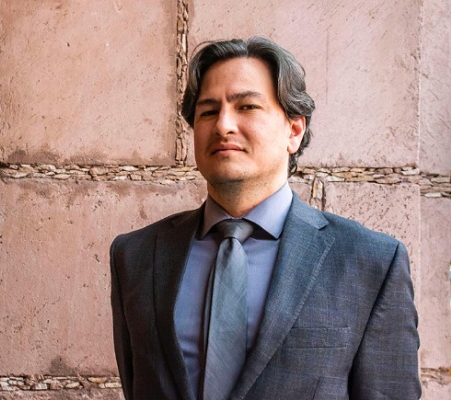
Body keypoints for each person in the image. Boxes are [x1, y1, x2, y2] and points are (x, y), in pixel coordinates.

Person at [110, 36, 420, 399]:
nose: (223, 125)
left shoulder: (369, 262)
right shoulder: (136, 256)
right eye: (208, 111)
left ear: (294, 130)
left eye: (247, 107)